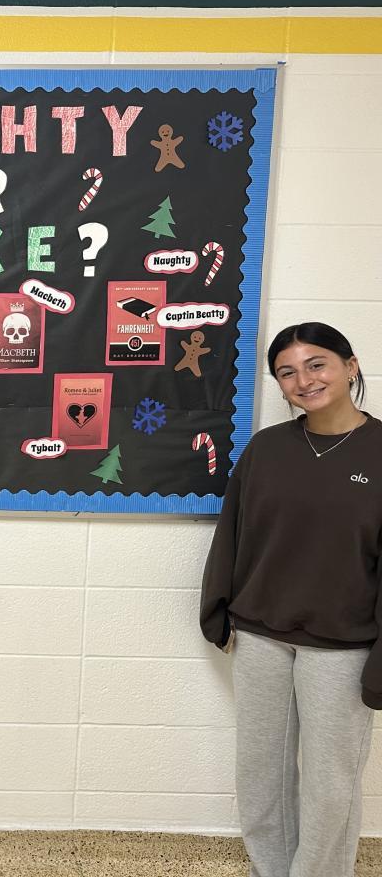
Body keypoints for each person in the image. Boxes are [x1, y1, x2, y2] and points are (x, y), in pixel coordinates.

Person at [200, 321, 382, 877]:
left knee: (330, 783)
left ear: (350, 366)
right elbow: (233, 531)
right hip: (261, 637)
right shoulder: (268, 449)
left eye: (317, 364)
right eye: (287, 372)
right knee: (261, 775)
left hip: (343, 646)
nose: (304, 380)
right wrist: (218, 609)